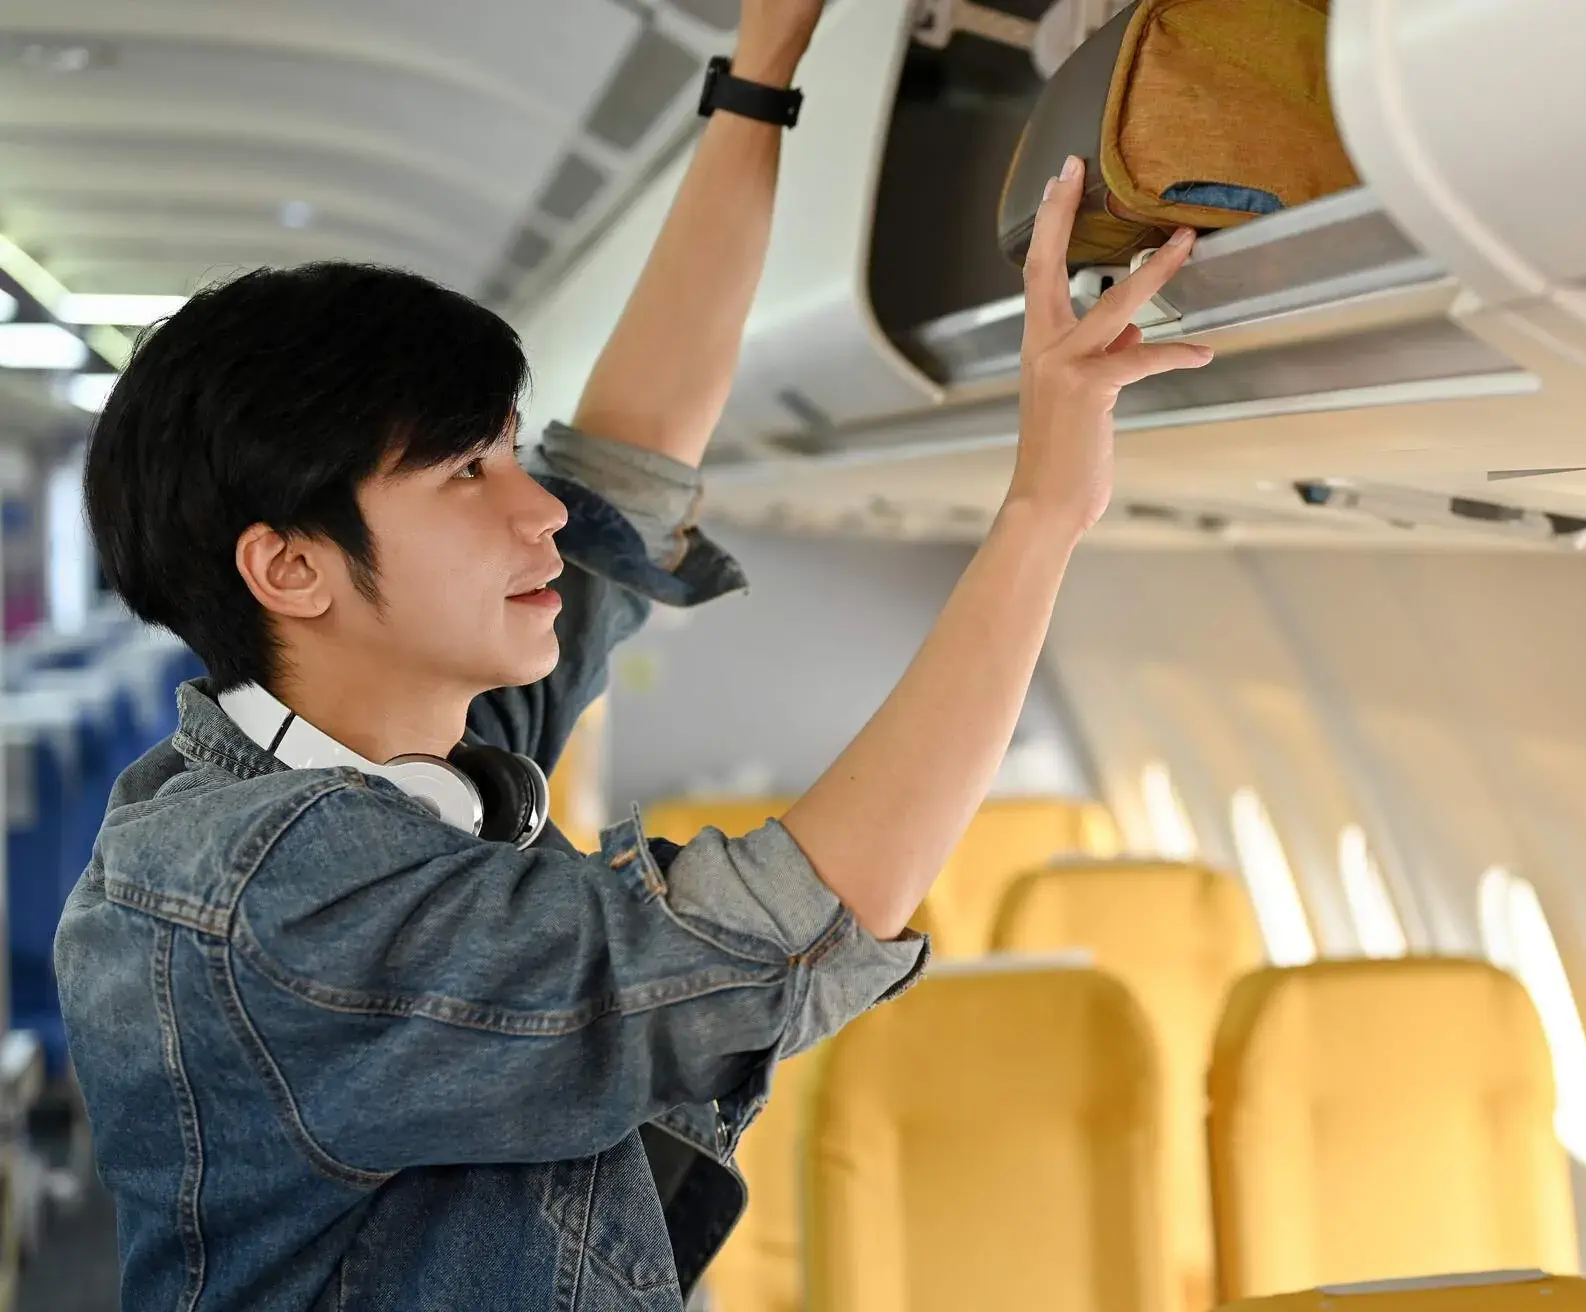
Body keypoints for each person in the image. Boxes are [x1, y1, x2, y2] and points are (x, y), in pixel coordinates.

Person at [53, 0, 1213, 1305]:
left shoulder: (420, 750)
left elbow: (624, 467)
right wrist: (1045, 511)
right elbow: (792, 926)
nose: (534, 506)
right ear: (292, 567)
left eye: (507, 447)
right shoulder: (287, 900)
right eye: (465, 473)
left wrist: (764, 70)